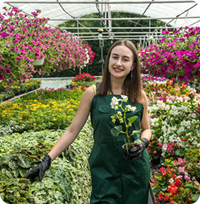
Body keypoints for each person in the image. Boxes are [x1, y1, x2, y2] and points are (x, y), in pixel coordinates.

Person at [24, 39, 152, 204]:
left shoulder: (139, 95)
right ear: (108, 61)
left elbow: (146, 129)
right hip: (104, 170)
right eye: (115, 57)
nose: (118, 63)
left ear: (133, 65)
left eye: (125, 59)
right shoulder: (93, 94)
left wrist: (143, 143)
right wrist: (47, 159)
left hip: (135, 171)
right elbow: (72, 130)